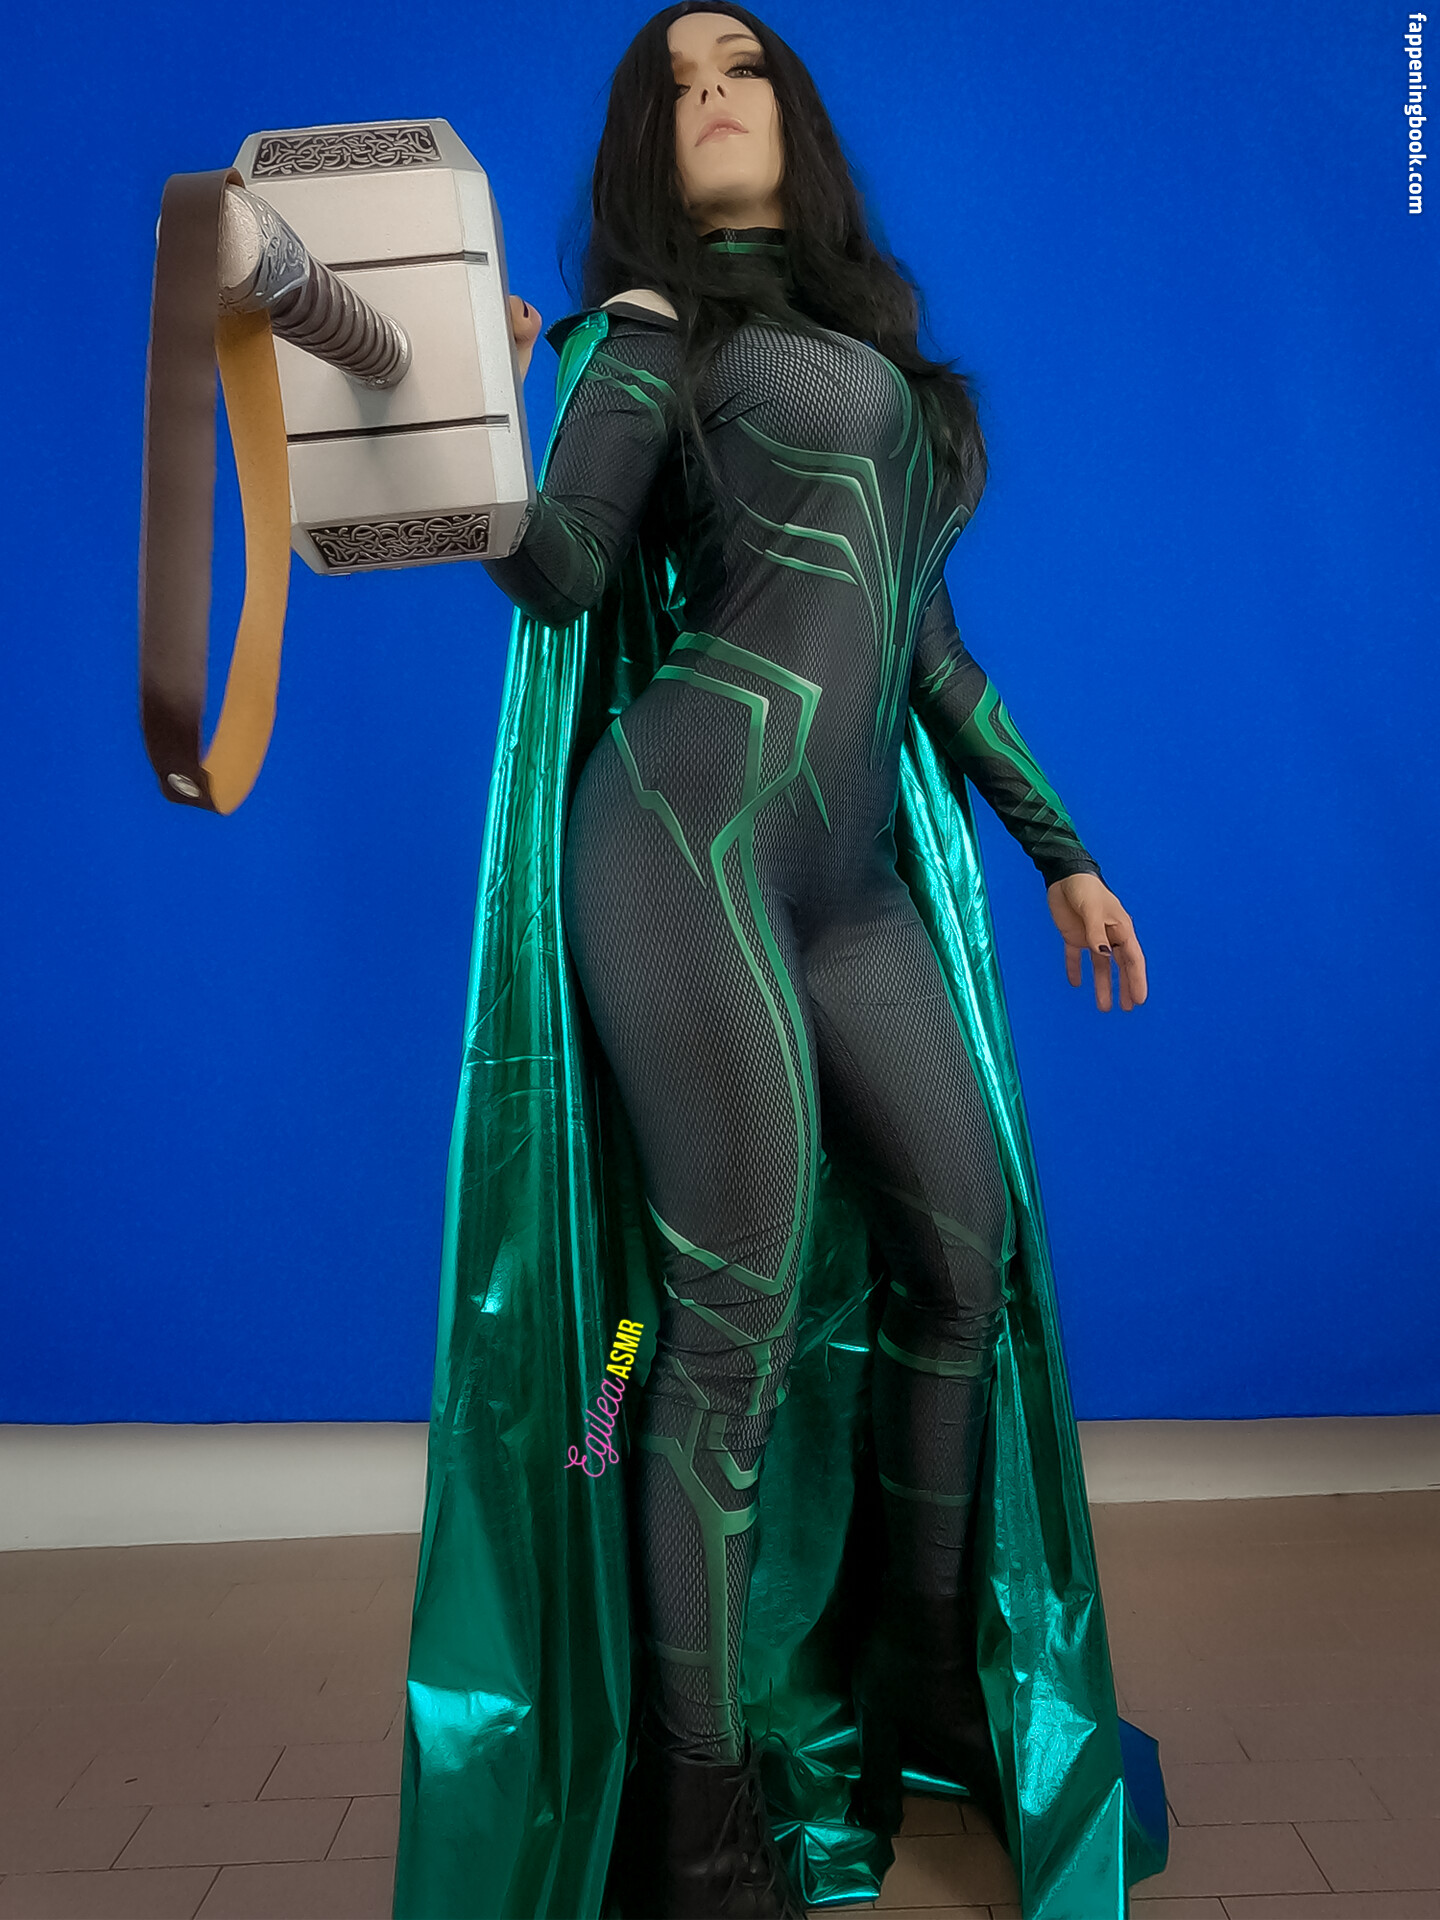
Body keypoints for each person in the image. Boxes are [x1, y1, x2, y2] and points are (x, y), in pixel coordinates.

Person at [393, 8, 1165, 1918]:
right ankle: (696, 1812)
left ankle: (919, 1688)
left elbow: (928, 652)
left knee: (961, 1257)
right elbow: (560, 571)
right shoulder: (651, 333)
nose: (714, 94)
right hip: (685, 848)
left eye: (740, 66)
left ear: (789, 115)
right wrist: (490, 401)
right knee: (705, 1334)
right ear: (648, 149)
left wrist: (1067, 856)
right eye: (678, 83)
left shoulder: (870, 357)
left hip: (847, 883)